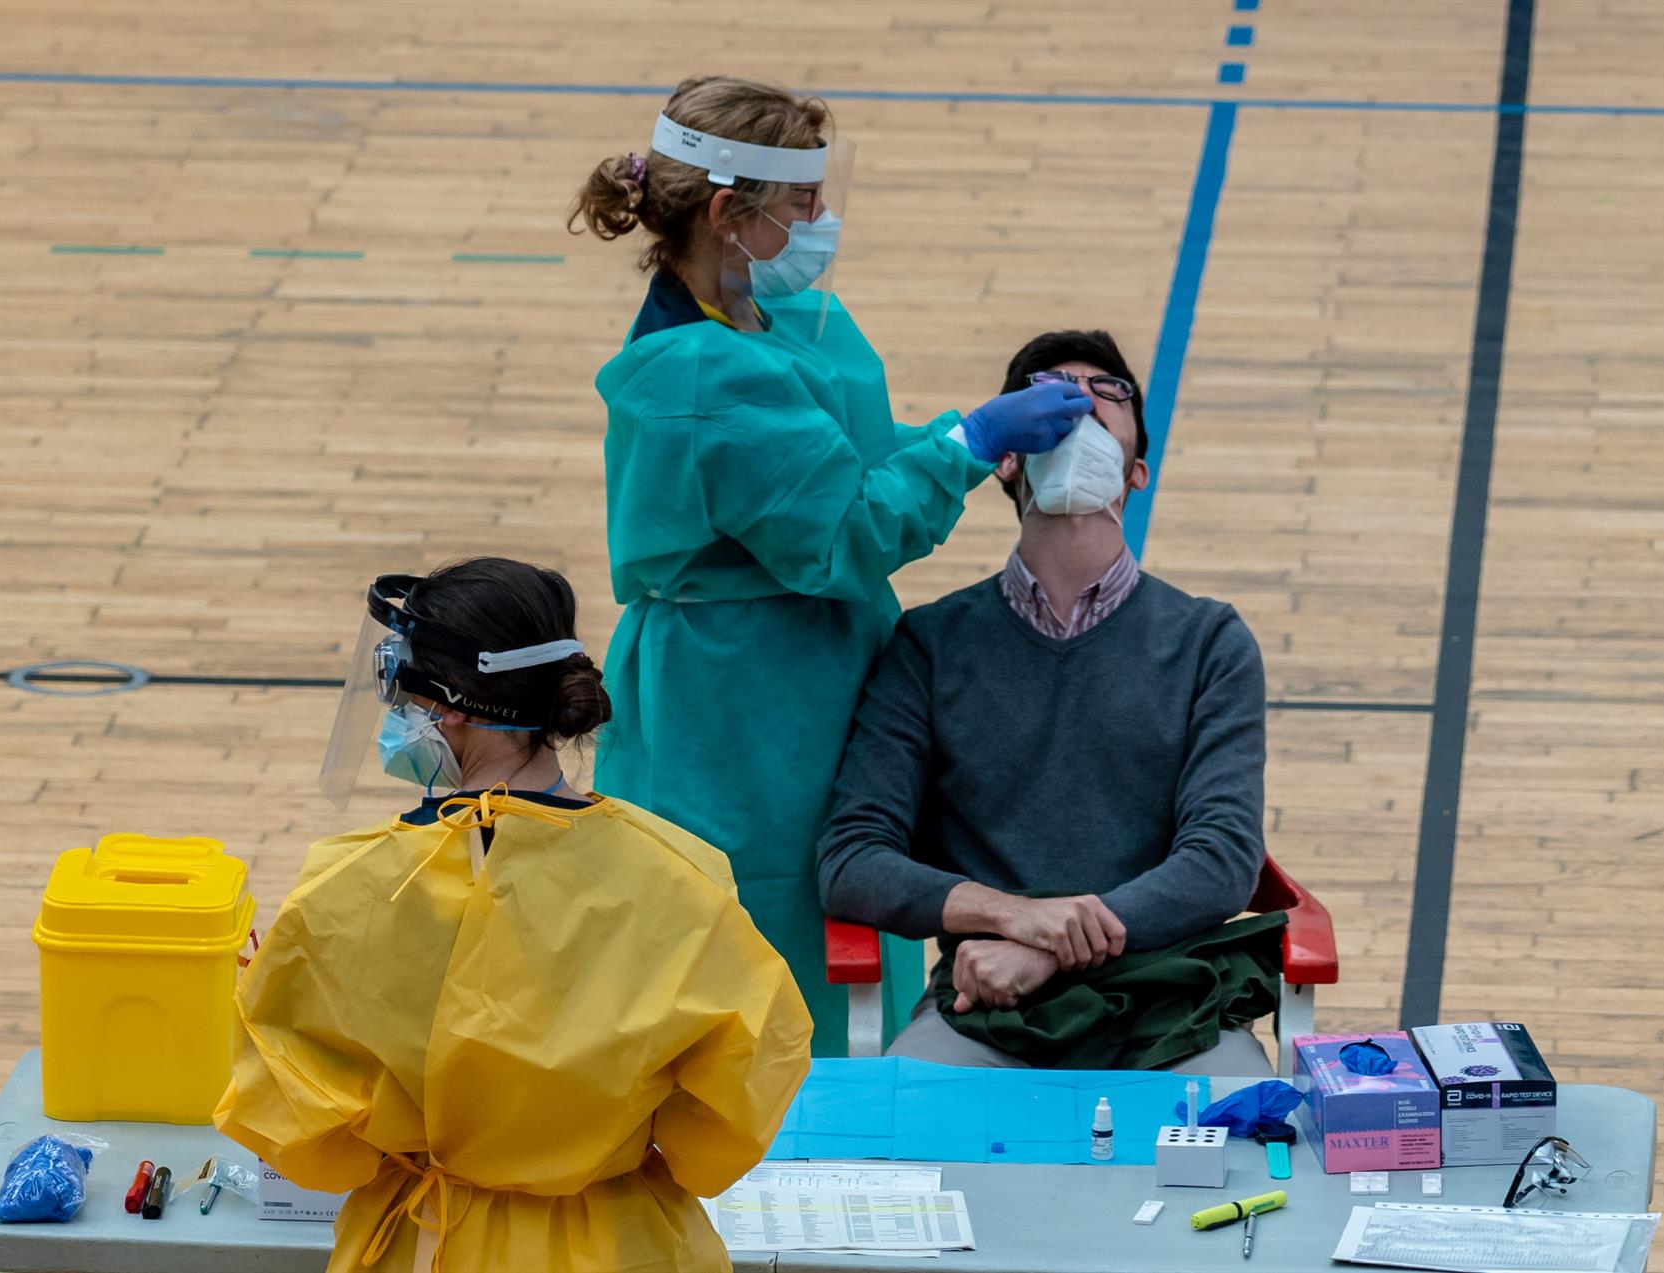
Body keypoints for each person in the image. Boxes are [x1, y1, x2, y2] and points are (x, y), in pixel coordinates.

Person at [571, 75, 1098, 1055]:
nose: (823, 222)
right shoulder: (701, 373)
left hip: (815, 671)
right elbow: (840, 530)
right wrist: (969, 445)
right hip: (741, 711)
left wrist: (954, 443)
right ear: (730, 214)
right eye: (803, 206)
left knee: (850, 884)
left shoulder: (768, 319)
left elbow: (837, 456)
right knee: (769, 931)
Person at [217, 558, 813, 1273]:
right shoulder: (679, 873)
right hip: (624, 1244)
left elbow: (296, 1126)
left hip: (426, 1241)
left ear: (453, 706)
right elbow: (742, 1095)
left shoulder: (353, 886)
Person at [816, 330, 1276, 1075]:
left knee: (1244, 1157)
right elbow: (852, 859)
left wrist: (1048, 950)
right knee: (910, 1158)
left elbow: (1222, 859)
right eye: (1050, 390)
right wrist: (1013, 918)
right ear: (1006, 457)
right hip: (984, 1006)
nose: (1079, 399)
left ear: (1137, 473)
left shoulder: (1209, 641)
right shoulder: (928, 644)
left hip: (1172, 1007)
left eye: (1106, 393)